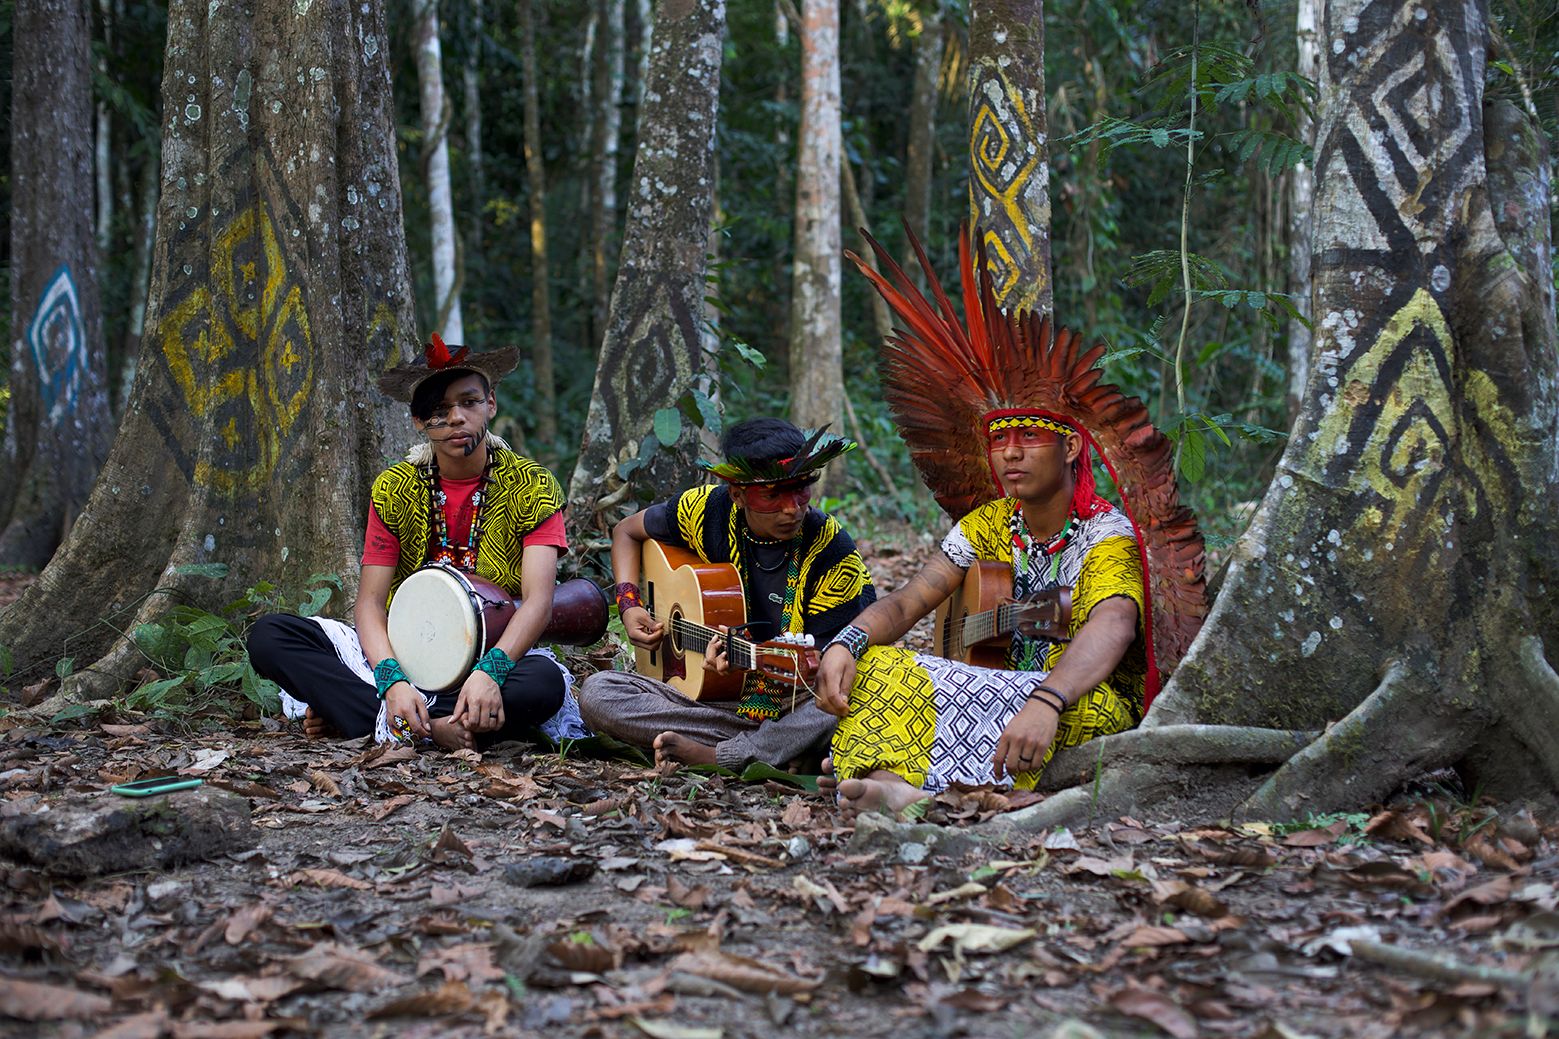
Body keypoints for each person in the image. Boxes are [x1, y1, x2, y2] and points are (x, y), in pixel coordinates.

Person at [815, 227, 1206, 817]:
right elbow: (907, 603)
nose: (1010, 454)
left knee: (1085, 714)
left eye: (1029, 438)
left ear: (1072, 449)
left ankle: (887, 768)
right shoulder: (990, 523)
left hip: (1075, 701)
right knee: (880, 661)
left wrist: (1047, 700)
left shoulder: (1109, 534)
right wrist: (847, 642)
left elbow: (1114, 624)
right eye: (1000, 441)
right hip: (991, 686)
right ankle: (894, 781)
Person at [246, 334, 588, 751]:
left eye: (469, 402)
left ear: (491, 404)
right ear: (418, 422)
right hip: (401, 654)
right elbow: (370, 604)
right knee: (270, 635)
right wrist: (391, 681)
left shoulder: (532, 486)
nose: (457, 418)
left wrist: (491, 672)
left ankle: (369, 718)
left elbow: (538, 601)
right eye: (439, 411)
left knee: (544, 684)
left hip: (493, 655)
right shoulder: (394, 489)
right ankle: (428, 723)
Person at [577, 418, 875, 771]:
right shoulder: (708, 511)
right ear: (737, 494)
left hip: (794, 700)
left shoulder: (831, 549)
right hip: (713, 704)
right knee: (599, 692)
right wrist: (629, 605)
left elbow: (833, 665)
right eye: (772, 494)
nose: (793, 507)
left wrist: (748, 663)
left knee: (855, 694)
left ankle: (722, 753)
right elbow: (626, 531)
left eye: (801, 489)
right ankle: (780, 749)